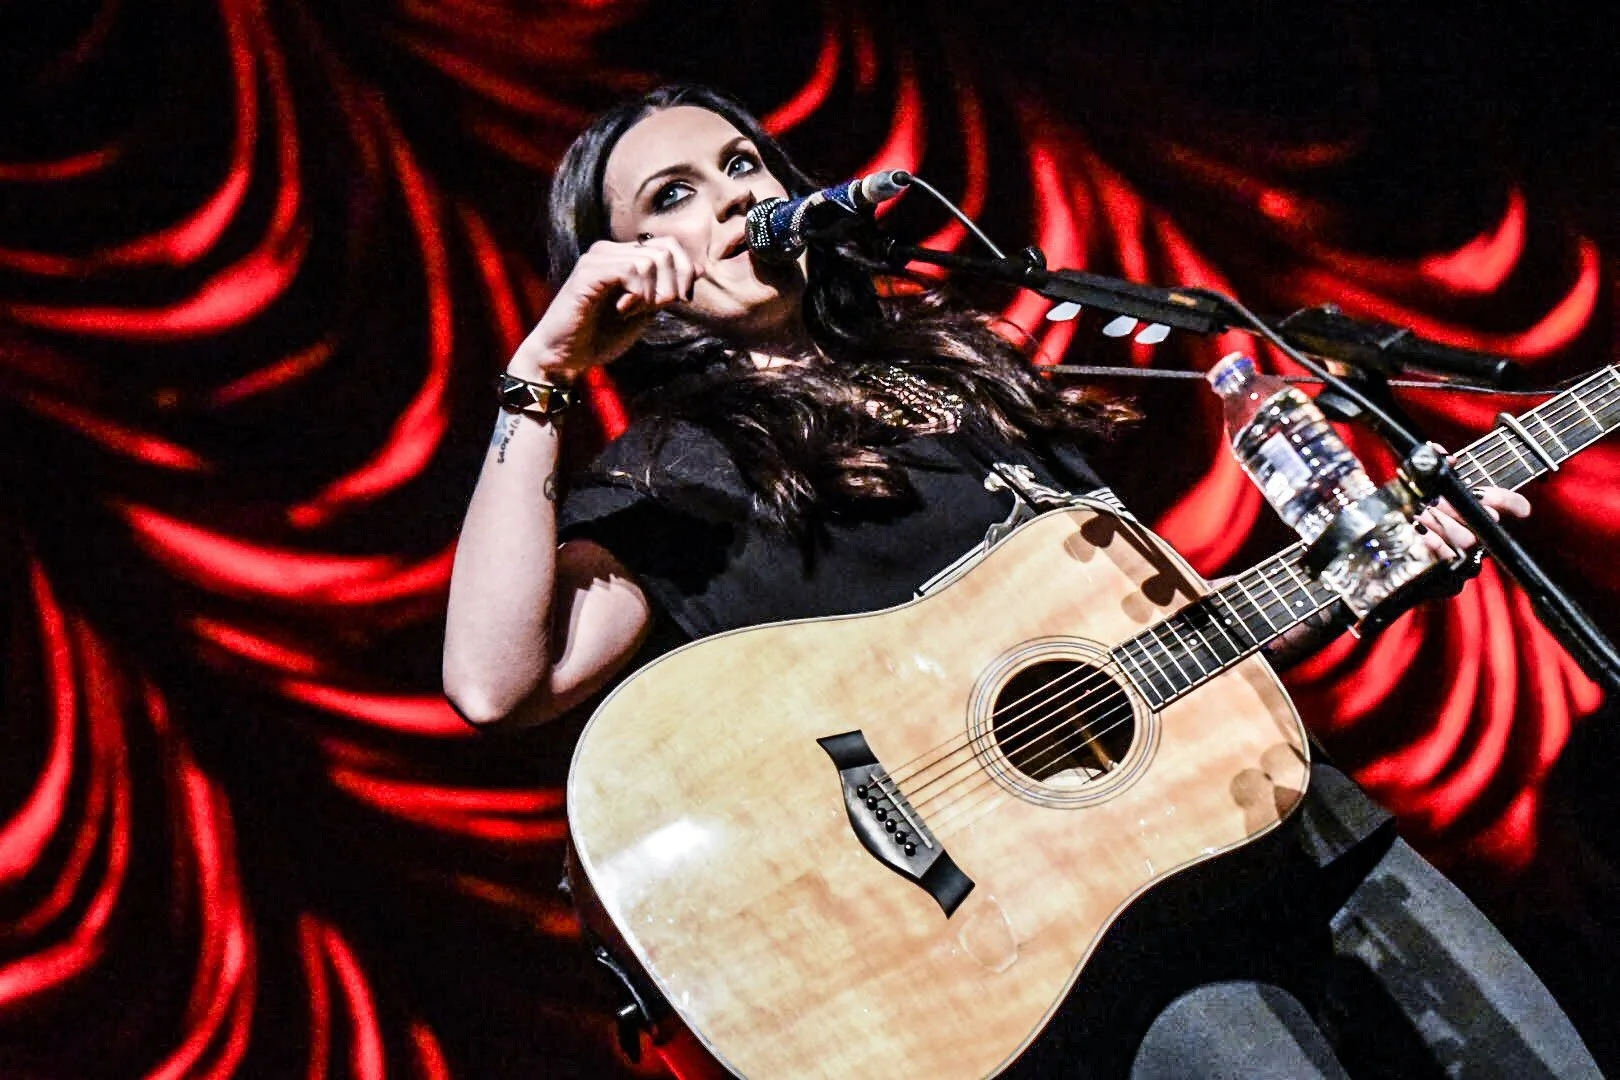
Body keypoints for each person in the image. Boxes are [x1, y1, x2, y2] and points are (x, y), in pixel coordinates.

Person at [442, 84, 1598, 1078]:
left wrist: (1365, 564)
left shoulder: (963, 361)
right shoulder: (672, 476)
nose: (736, 196)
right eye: (672, 195)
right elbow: (496, 682)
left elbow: (1147, 646)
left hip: (1287, 825)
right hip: (1101, 963)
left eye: (743, 163)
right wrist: (540, 371)